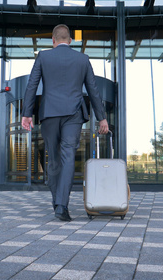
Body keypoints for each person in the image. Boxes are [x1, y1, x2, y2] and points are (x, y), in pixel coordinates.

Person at [21, 24, 109, 222]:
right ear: (70, 41)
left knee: (53, 159)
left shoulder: (43, 57)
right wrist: (102, 118)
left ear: (53, 41)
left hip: (49, 114)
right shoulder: (82, 59)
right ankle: (62, 205)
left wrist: (27, 114)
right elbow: (93, 90)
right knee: (68, 156)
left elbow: (32, 86)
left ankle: (57, 202)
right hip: (73, 114)